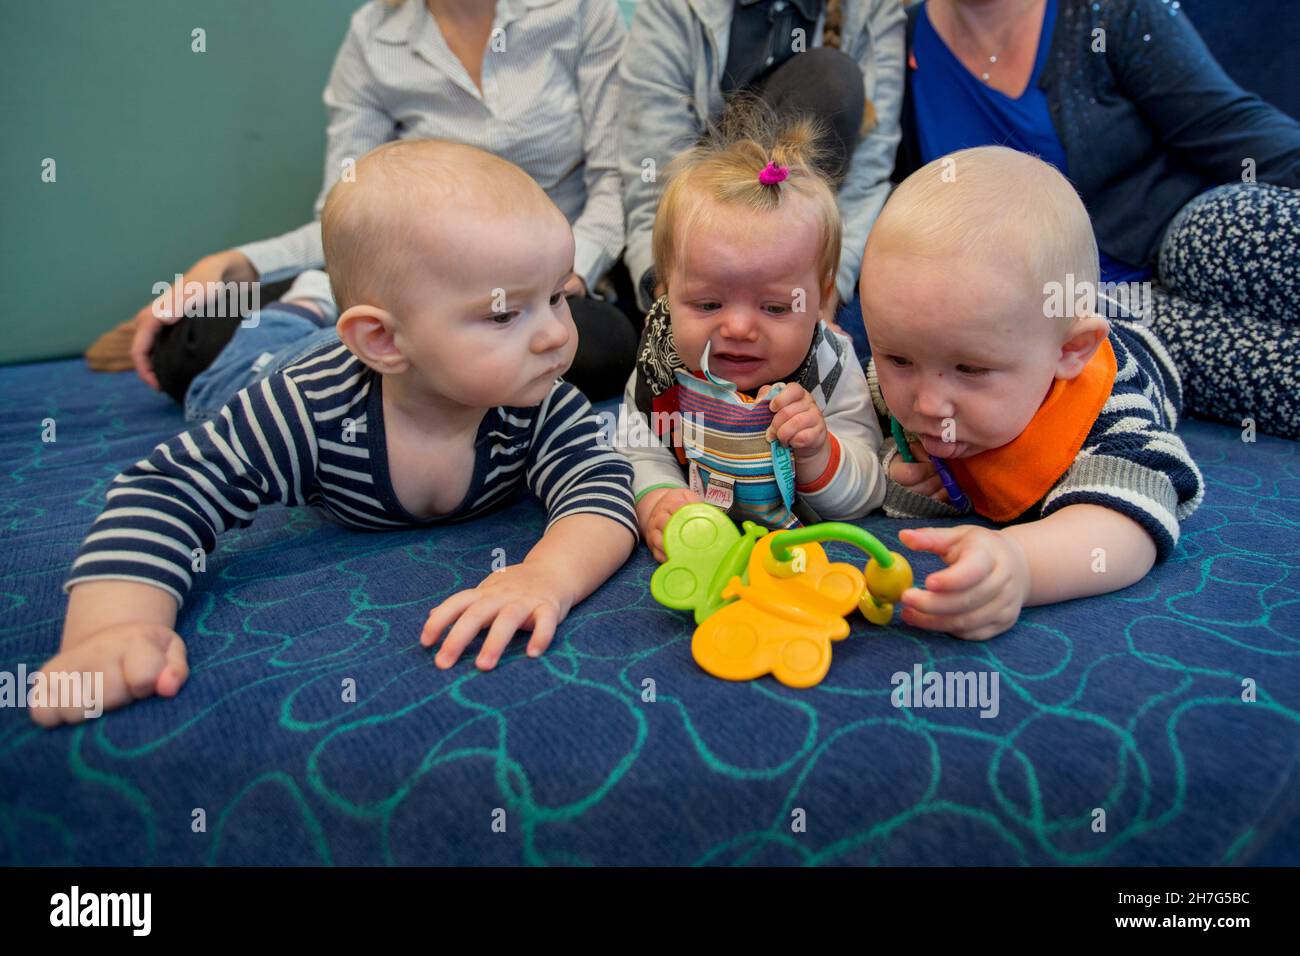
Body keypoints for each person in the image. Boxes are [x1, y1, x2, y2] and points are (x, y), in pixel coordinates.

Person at [32, 140, 639, 727]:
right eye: (506, 314)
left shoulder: (537, 396)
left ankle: (311, 300)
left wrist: (547, 576)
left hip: (365, 341)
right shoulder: (305, 410)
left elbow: (601, 487)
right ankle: (300, 303)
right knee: (227, 366)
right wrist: (111, 628)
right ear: (383, 340)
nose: (556, 336)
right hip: (265, 368)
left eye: (558, 296)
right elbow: (165, 492)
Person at [87, 0, 640, 404]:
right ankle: (358, 351)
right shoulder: (373, 33)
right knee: (185, 340)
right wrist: (241, 262)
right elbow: (349, 203)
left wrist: (569, 273)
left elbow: (618, 182)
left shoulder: (580, 13)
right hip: (409, 274)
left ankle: (326, 372)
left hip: (532, 283)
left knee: (599, 349)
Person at [896, 0, 1300, 438]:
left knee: (1213, 231)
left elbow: (1234, 128)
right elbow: (882, 202)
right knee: (1166, 345)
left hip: (1180, 234)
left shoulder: (1109, 12)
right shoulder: (899, 44)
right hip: (1088, 313)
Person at [859, 146, 1204, 641]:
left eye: (970, 369)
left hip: (1148, 336)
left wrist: (1020, 564)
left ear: (1070, 350)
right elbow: (853, 416)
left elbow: (1128, 522)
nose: (928, 405)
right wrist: (887, 468)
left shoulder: (1110, 415)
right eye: (899, 360)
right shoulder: (923, 348)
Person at [620, 105, 887, 561]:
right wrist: (655, 499)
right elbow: (640, 447)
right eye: (707, 304)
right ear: (665, 291)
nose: (739, 328)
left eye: (775, 307)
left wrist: (820, 454)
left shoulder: (828, 366)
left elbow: (869, 490)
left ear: (821, 299)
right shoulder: (661, 360)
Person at [618, 0, 905, 331]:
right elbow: (651, 173)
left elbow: (865, 178)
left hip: (801, 265)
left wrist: (825, 299)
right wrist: (667, 297)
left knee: (831, 80)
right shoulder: (674, 8)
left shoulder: (872, 9)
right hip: (698, 246)